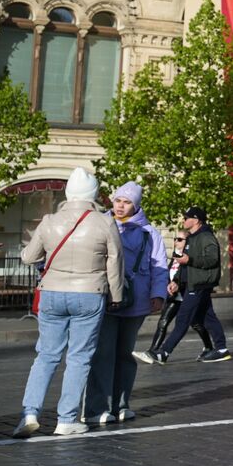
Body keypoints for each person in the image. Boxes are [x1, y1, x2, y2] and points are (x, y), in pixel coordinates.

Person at [14, 168, 125, 438]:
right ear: (93, 193)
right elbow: (115, 263)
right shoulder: (105, 222)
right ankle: (66, 419)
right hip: (89, 292)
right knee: (79, 357)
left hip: (52, 291)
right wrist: (117, 296)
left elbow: (29, 257)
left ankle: (30, 413)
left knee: (46, 355)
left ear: (68, 192)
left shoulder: (50, 220)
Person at [86, 182, 168, 425]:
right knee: (103, 353)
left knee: (124, 353)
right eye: (118, 200)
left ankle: (121, 405)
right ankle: (98, 407)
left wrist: (158, 294)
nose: (120, 206)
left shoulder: (149, 233)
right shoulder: (101, 224)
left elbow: (159, 266)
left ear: (136, 205)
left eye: (127, 202)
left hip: (136, 300)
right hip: (106, 296)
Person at [140, 206, 229, 364]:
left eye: (187, 218)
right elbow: (184, 266)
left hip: (199, 284)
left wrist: (190, 260)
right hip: (192, 284)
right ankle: (221, 349)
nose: (184, 220)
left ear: (196, 220)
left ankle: (164, 353)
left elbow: (212, 259)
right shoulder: (193, 237)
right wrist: (176, 281)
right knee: (207, 317)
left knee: (183, 319)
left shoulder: (206, 236)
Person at [140, 232, 214, 359]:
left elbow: (189, 277)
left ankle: (209, 347)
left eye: (180, 239)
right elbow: (169, 274)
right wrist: (168, 285)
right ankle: (153, 351)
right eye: (175, 239)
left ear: (188, 242)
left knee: (196, 323)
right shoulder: (175, 257)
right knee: (163, 321)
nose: (176, 242)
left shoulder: (190, 257)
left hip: (188, 296)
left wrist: (178, 284)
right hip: (175, 297)